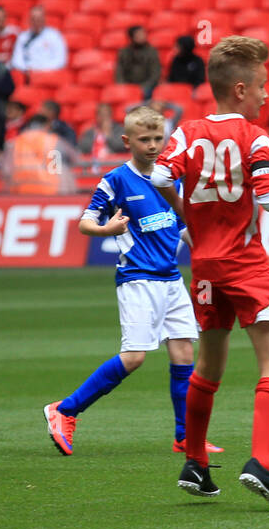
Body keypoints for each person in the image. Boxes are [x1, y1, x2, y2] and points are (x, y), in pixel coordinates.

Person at [150, 35, 269, 511]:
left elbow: (159, 178)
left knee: (209, 365)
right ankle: (262, 463)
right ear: (239, 89)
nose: (265, 94)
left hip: (204, 266)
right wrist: (258, 193)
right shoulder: (254, 136)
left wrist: (189, 219)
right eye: (261, 85)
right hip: (246, 262)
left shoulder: (185, 132)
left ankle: (195, 462)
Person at [44, 106, 223, 458]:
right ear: (127, 141)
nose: (153, 145)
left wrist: (205, 247)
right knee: (135, 357)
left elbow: (181, 225)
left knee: (184, 352)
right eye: (145, 139)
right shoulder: (115, 180)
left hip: (171, 278)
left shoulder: (171, 179)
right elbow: (85, 222)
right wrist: (106, 229)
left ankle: (185, 436)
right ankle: (64, 410)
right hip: (138, 278)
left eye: (159, 138)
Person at [0, 113, 79, 194]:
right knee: (64, 168)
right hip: (49, 191)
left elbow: (6, 170)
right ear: (47, 125)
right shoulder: (53, 140)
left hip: (20, 191)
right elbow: (77, 160)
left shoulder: (14, 143)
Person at [10, 5, 68, 73]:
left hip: (48, 75)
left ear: (44, 19)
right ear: (30, 20)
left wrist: (39, 70)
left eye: (39, 19)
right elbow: (16, 60)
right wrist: (27, 69)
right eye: (34, 19)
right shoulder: (23, 37)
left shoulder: (54, 36)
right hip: (28, 75)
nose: (36, 22)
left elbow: (60, 61)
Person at [115, 23, 162, 95]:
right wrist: (122, 85)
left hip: (147, 86)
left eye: (143, 34)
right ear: (132, 37)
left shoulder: (152, 52)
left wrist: (143, 87)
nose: (143, 36)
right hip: (128, 85)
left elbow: (155, 74)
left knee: (145, 92)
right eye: (139, 34)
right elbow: (119, 71)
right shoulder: (124, 52)